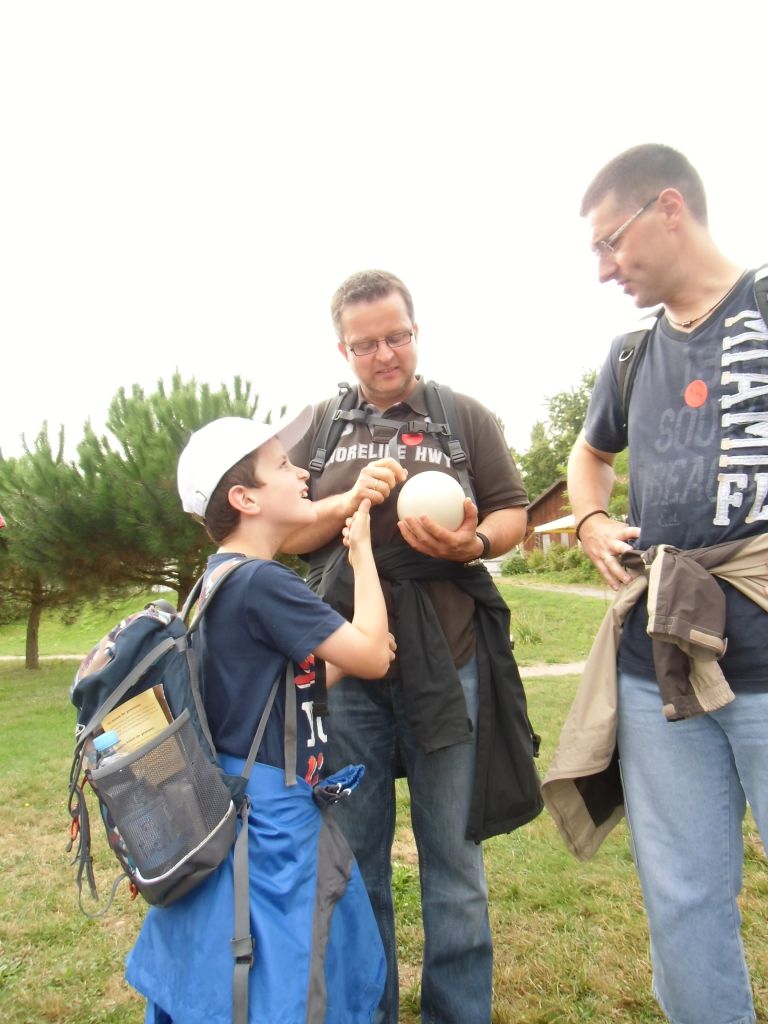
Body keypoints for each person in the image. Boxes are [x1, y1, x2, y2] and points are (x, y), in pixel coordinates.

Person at [284, 270, 540, 1024]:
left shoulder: (464, 416)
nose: (384, 354)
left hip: (449, 663)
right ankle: (368, 1013)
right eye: (365, 343)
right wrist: (349, 497)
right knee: (354, 862)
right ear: (343, 348)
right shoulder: (319, 425)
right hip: (345, 673)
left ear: (416, 332)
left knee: (454, 863)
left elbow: (513, 513)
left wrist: (473, 543)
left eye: (396, 335)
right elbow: (288, 532)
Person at [569, 143, 768, 1024]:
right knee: (683, 901)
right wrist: (588, 519)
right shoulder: (629, 355)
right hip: (661, 671)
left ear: (670, 208)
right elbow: (589, 455)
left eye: (612, 243)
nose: (605, 268)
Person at [125, 408, 395, 1023]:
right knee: (292, 981)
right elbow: (375, 653)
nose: (301, 473)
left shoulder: (213, 583)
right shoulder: (265, 583)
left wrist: (340, 659)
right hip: (276, 826)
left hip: (235, 807)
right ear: (245, 497)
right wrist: (361, 558)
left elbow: (269, 691)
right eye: (282, 465)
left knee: (238, 974)